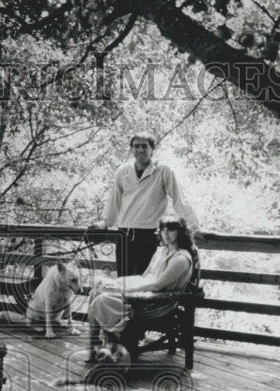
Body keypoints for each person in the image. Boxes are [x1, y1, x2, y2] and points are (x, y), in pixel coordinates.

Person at [85, 215, 199, 362]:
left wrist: (121, 290)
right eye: (163, 230)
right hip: (143, 294)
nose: (166, 234)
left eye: (171, 230)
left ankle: (115, 343)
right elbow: (144, 277)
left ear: (181, 232)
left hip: (157, 302)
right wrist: (116, 283)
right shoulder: (161, 251)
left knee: (102, 299)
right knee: (98, 289)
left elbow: (157, 285)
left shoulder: (181, 258)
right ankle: (94, 345)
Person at [92, 133, 200, 277]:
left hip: (150, 235)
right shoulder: (123, 171)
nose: (140, 150)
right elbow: (114, 200)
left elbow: (179, 199)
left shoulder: (163, 170)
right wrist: (105, 223)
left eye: (144, 146)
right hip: (124, 234)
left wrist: (193, 226)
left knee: (146, 282)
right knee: (124, 281)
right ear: (131, 149)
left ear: (152, 149)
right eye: (136, 146)